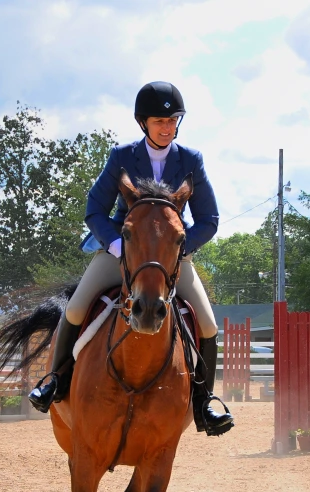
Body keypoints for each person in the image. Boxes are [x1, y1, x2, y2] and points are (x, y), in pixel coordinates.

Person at [29, 81, 233, 437]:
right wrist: (116, 246)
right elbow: (94, 210)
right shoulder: (122, 156)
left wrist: (179, 250)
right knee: (76, 309)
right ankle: (55, 382)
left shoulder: (191, 160)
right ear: (143, 123)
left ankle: (204, 402)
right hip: (123, 251)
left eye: (173, 121)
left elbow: (209, 220)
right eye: (160, 121)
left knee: (208, 324)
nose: (168, 128)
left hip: (169, 257)